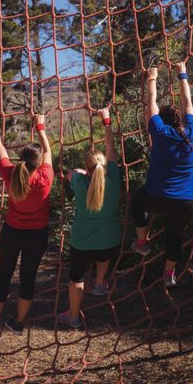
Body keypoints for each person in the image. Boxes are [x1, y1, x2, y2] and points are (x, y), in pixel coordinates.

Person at [0, 111, 54, 335]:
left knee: (4, 273)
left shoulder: (11, 174)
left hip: (12, 231)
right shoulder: (45, 178)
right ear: (38, 161)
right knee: (28, 277)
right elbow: (49, 150)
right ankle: (19, 322)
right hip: (37, 234)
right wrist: (40, 125)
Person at [131, 62, 193, 287]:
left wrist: (152, 77)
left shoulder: (159, 132)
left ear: (163, 120)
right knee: (174, 235)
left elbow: (151, 104)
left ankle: (142, 242)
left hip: (157, 198)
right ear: (181, 120)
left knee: (137, 200)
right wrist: (182, 73)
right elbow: (187, 101)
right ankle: (169, 274)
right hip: (187, 203)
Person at [58, 107, 122, 329]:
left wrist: (82, 172)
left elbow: (69, 174)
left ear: (87, 169)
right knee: (104, 251)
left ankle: (73, 315)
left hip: (82, 245)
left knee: (76, 278)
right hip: (111, 245)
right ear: (105, 167)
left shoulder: (78, 180)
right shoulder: (114, 177)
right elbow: (112, 149)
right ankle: (100, 282)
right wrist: (106, 120)